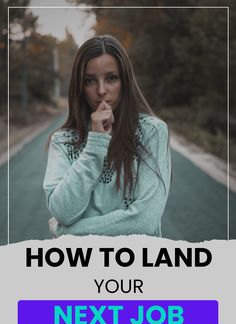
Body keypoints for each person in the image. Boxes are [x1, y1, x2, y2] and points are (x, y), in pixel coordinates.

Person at [43, 34, 171, 238]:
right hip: (79, 265)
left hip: (138, 265)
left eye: (111, 78)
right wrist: (95, 145)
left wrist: (67, 232)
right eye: (90, 81)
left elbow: (145, 221)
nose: (101, 91)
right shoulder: (63, 140)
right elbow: (62, 211)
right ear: (80, 86)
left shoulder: (152, 132)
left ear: (125, 81)